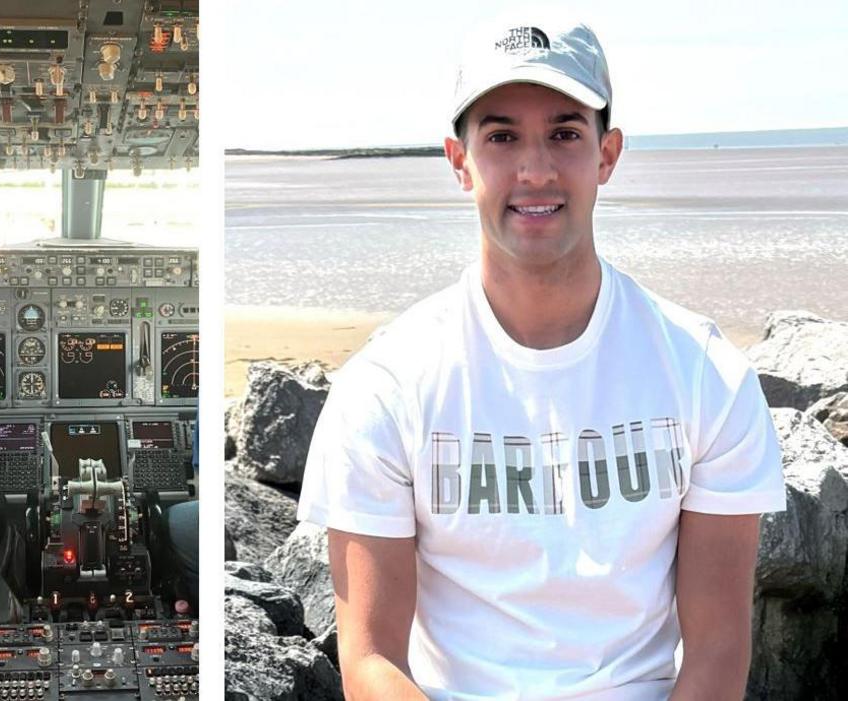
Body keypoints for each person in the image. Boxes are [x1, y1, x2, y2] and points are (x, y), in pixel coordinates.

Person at [298, 16, 787, 701]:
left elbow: (717, 651)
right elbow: (372, 661)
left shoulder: (705, 374)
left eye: (564, 133)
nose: (534, 169)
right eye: (501, 137)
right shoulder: (386, 385)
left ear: (607, 155)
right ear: (459, 160)